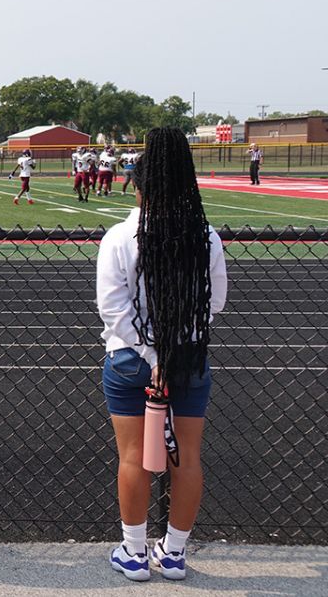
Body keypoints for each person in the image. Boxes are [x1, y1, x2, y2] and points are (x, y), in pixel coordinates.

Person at [97, 127, 228, 582]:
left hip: (132, 363)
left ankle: (134, 555)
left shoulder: (120, 236)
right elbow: (212, 305)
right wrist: (170, 354)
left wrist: (151, 356)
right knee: (186, 458)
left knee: (134, 457)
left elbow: (114, 311)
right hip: (187, 359)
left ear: (140, 181)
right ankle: (173, 555)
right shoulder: (206, 237)